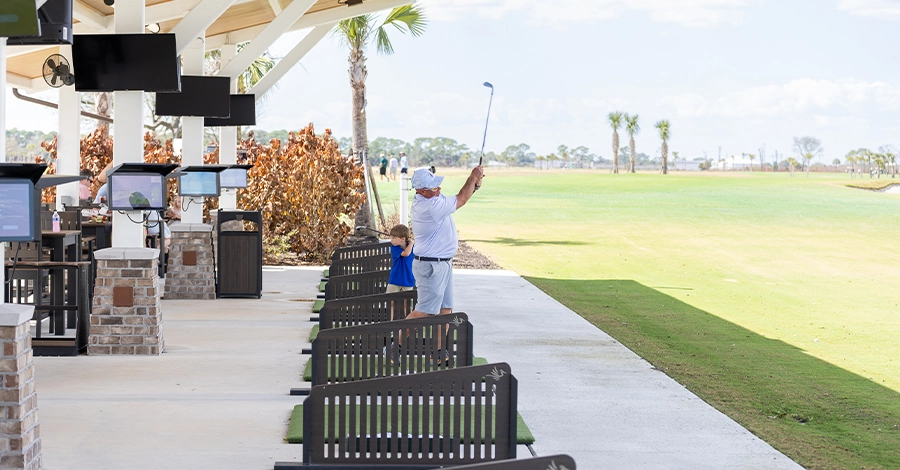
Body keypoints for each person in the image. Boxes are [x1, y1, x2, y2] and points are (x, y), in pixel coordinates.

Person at [406, 164, 484, 319]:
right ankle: (396, 343)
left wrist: (474, 185)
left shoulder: (433, 196)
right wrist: (472, 177)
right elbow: (461, 198)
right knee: (424, 311)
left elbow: (462, 196)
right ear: (421, 190)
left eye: (438, 184)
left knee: (445, 311)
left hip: (443, 263)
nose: (439, 189)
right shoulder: (430, 206)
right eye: (434, 187)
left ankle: (441, 345)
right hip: (431, 266)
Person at [387, 224, 415, 293]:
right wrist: (411, 243)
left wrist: (411, 244)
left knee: (406, 301)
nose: (391, 240)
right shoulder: (395, 248)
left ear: (403, 239)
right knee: (391, 300)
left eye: (394, 238)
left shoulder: (413, 248)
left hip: (408, 279)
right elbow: (406, 253)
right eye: (391, 238)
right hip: (395, 279)